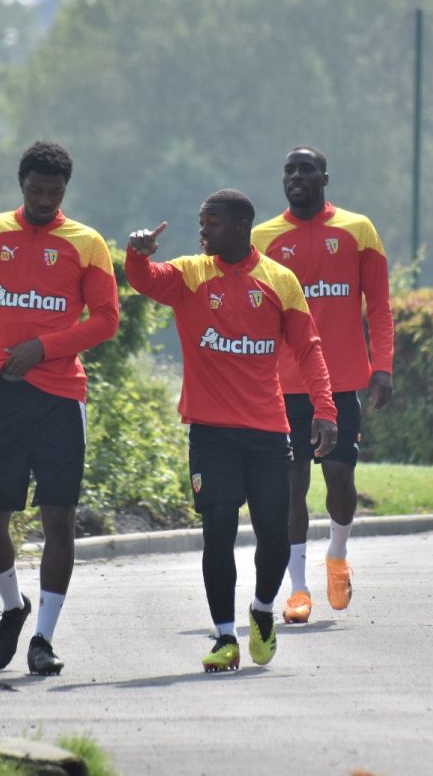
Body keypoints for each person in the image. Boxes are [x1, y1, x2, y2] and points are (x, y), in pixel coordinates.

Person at [125, 189, 338, 672]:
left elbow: (309, 349)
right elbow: (146, 281)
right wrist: (137, 255)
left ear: (242, 225)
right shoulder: (191, 274)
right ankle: (224, 637)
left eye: (213, 223)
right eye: (202, 222)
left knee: (274, 537)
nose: (203, 231)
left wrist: (325, 410)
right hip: (210, 434)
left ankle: (262, 611)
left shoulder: (279, 281)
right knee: (217, 532)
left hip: (266, 432)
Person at [0, 140, 120, 676]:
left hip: (62, 398)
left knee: (58, 519)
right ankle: (14, 607)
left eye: (54, 192)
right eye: (36, 190)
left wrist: (46, 346)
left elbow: (107, 319)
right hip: (2, 396)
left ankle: (43, 639)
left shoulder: (86, 243)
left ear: (65, 191)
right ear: (21, 184)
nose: (44, 200)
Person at [251, 146, 394, 624]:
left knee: (339, 478)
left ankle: (337, 554)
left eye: (305, 169)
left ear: (324, 178)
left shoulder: (358, 230)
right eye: (288, 169)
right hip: (285, 384)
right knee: (292, 486)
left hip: (342, 380)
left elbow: (379, 305)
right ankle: (298, 588)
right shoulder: (264, 237)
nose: (296, 176)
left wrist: (383, 366)